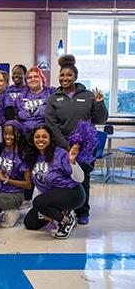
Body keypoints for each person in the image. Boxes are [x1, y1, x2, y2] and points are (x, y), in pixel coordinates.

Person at [45, 55, 108, 225]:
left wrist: (100, 103)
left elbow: (100, 120)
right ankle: (63, 209)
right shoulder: (54, 97)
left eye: (69, 75)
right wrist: (66, 146)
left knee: (83, 179)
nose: (65, 78)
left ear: (76, 77)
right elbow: (51, 124)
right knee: (62, 179)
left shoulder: (88, 95)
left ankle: (82, 211)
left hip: (86, 147)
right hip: (63, 145)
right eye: (62, 75)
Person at [23, 125, 85, 240]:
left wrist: (72, 161)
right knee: (30, 223)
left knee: (38, 202)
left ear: (50, 139)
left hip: (73, 193)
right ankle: (63, 213)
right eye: (37, 136)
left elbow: (80, 179)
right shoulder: (33, 157)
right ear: (33, 139)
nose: (40, 139)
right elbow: (38, 185)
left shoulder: (60, 153)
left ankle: (66, 220)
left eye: (44, 137)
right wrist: (45, 210)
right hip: (52, 197)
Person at [15, 67, 56, 134]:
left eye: (36, 76)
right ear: (26, 81)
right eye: (29, 78)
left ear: (42, 78)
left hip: (45, 132)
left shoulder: (51, 92)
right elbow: (15, 115)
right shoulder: (21, 97)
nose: (33, 79)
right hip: (24, 133)